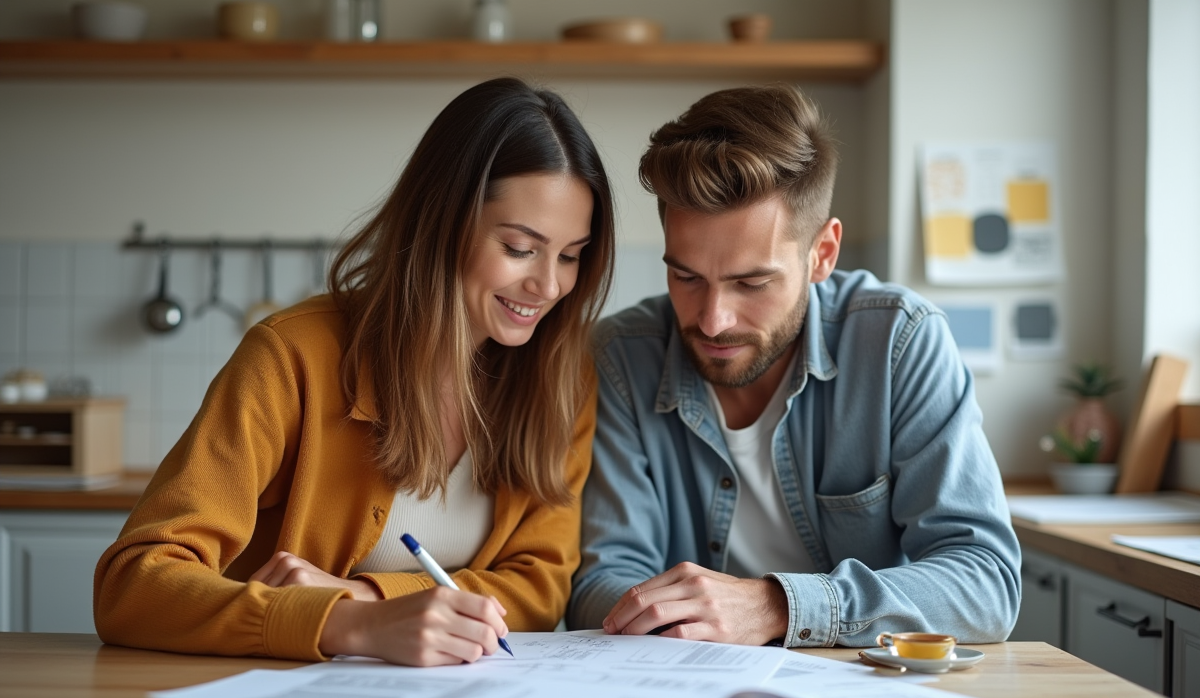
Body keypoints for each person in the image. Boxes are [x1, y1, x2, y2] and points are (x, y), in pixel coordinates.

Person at [95, 77, 615, 667]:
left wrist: (368, 597)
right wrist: (350, 625)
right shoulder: (290, 356)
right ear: (442, 222)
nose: (549, 285)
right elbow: (132, 585)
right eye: (521, 248)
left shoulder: (561, 379)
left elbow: (539, 585)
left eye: (571, 256)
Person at [567, 85, 1020, 648]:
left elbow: (986, 582)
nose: (712, 320)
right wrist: (684, 619)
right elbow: (599, 581)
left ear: (822, 255)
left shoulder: (899, 343)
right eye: (686, 277)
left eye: (751, 283)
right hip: (687, 693)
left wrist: (779, 606)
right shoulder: (618, 358)